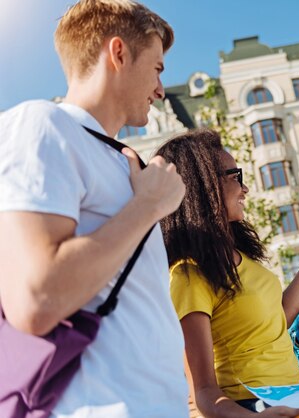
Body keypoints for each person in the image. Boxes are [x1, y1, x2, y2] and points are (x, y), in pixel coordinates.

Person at [0, 1, 189, 416]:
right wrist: (148, 207)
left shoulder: (123, 164)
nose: (161, 89)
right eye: (157, 68)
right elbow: (35, 299)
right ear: (118, 53)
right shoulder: (42, 124)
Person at [156, 129, 299, 418]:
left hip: (292, 398)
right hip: (251, 407)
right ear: (205, 186)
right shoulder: (189, 275)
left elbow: (280, 317)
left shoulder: (243, 259)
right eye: (235, 176)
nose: (245, 188)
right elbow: (203, 393)